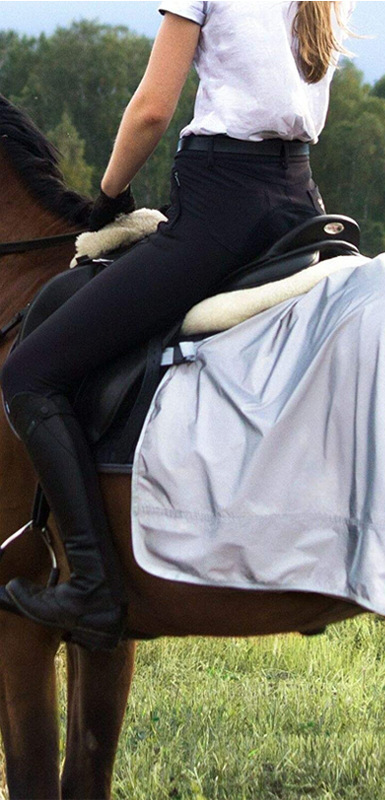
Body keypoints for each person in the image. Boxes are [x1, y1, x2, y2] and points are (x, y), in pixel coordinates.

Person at [1, 1, 353, 650]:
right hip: (299, 205)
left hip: (221, 215)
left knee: (28, 372)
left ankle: (92, 589)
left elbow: (151, 112)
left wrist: (107, 198)